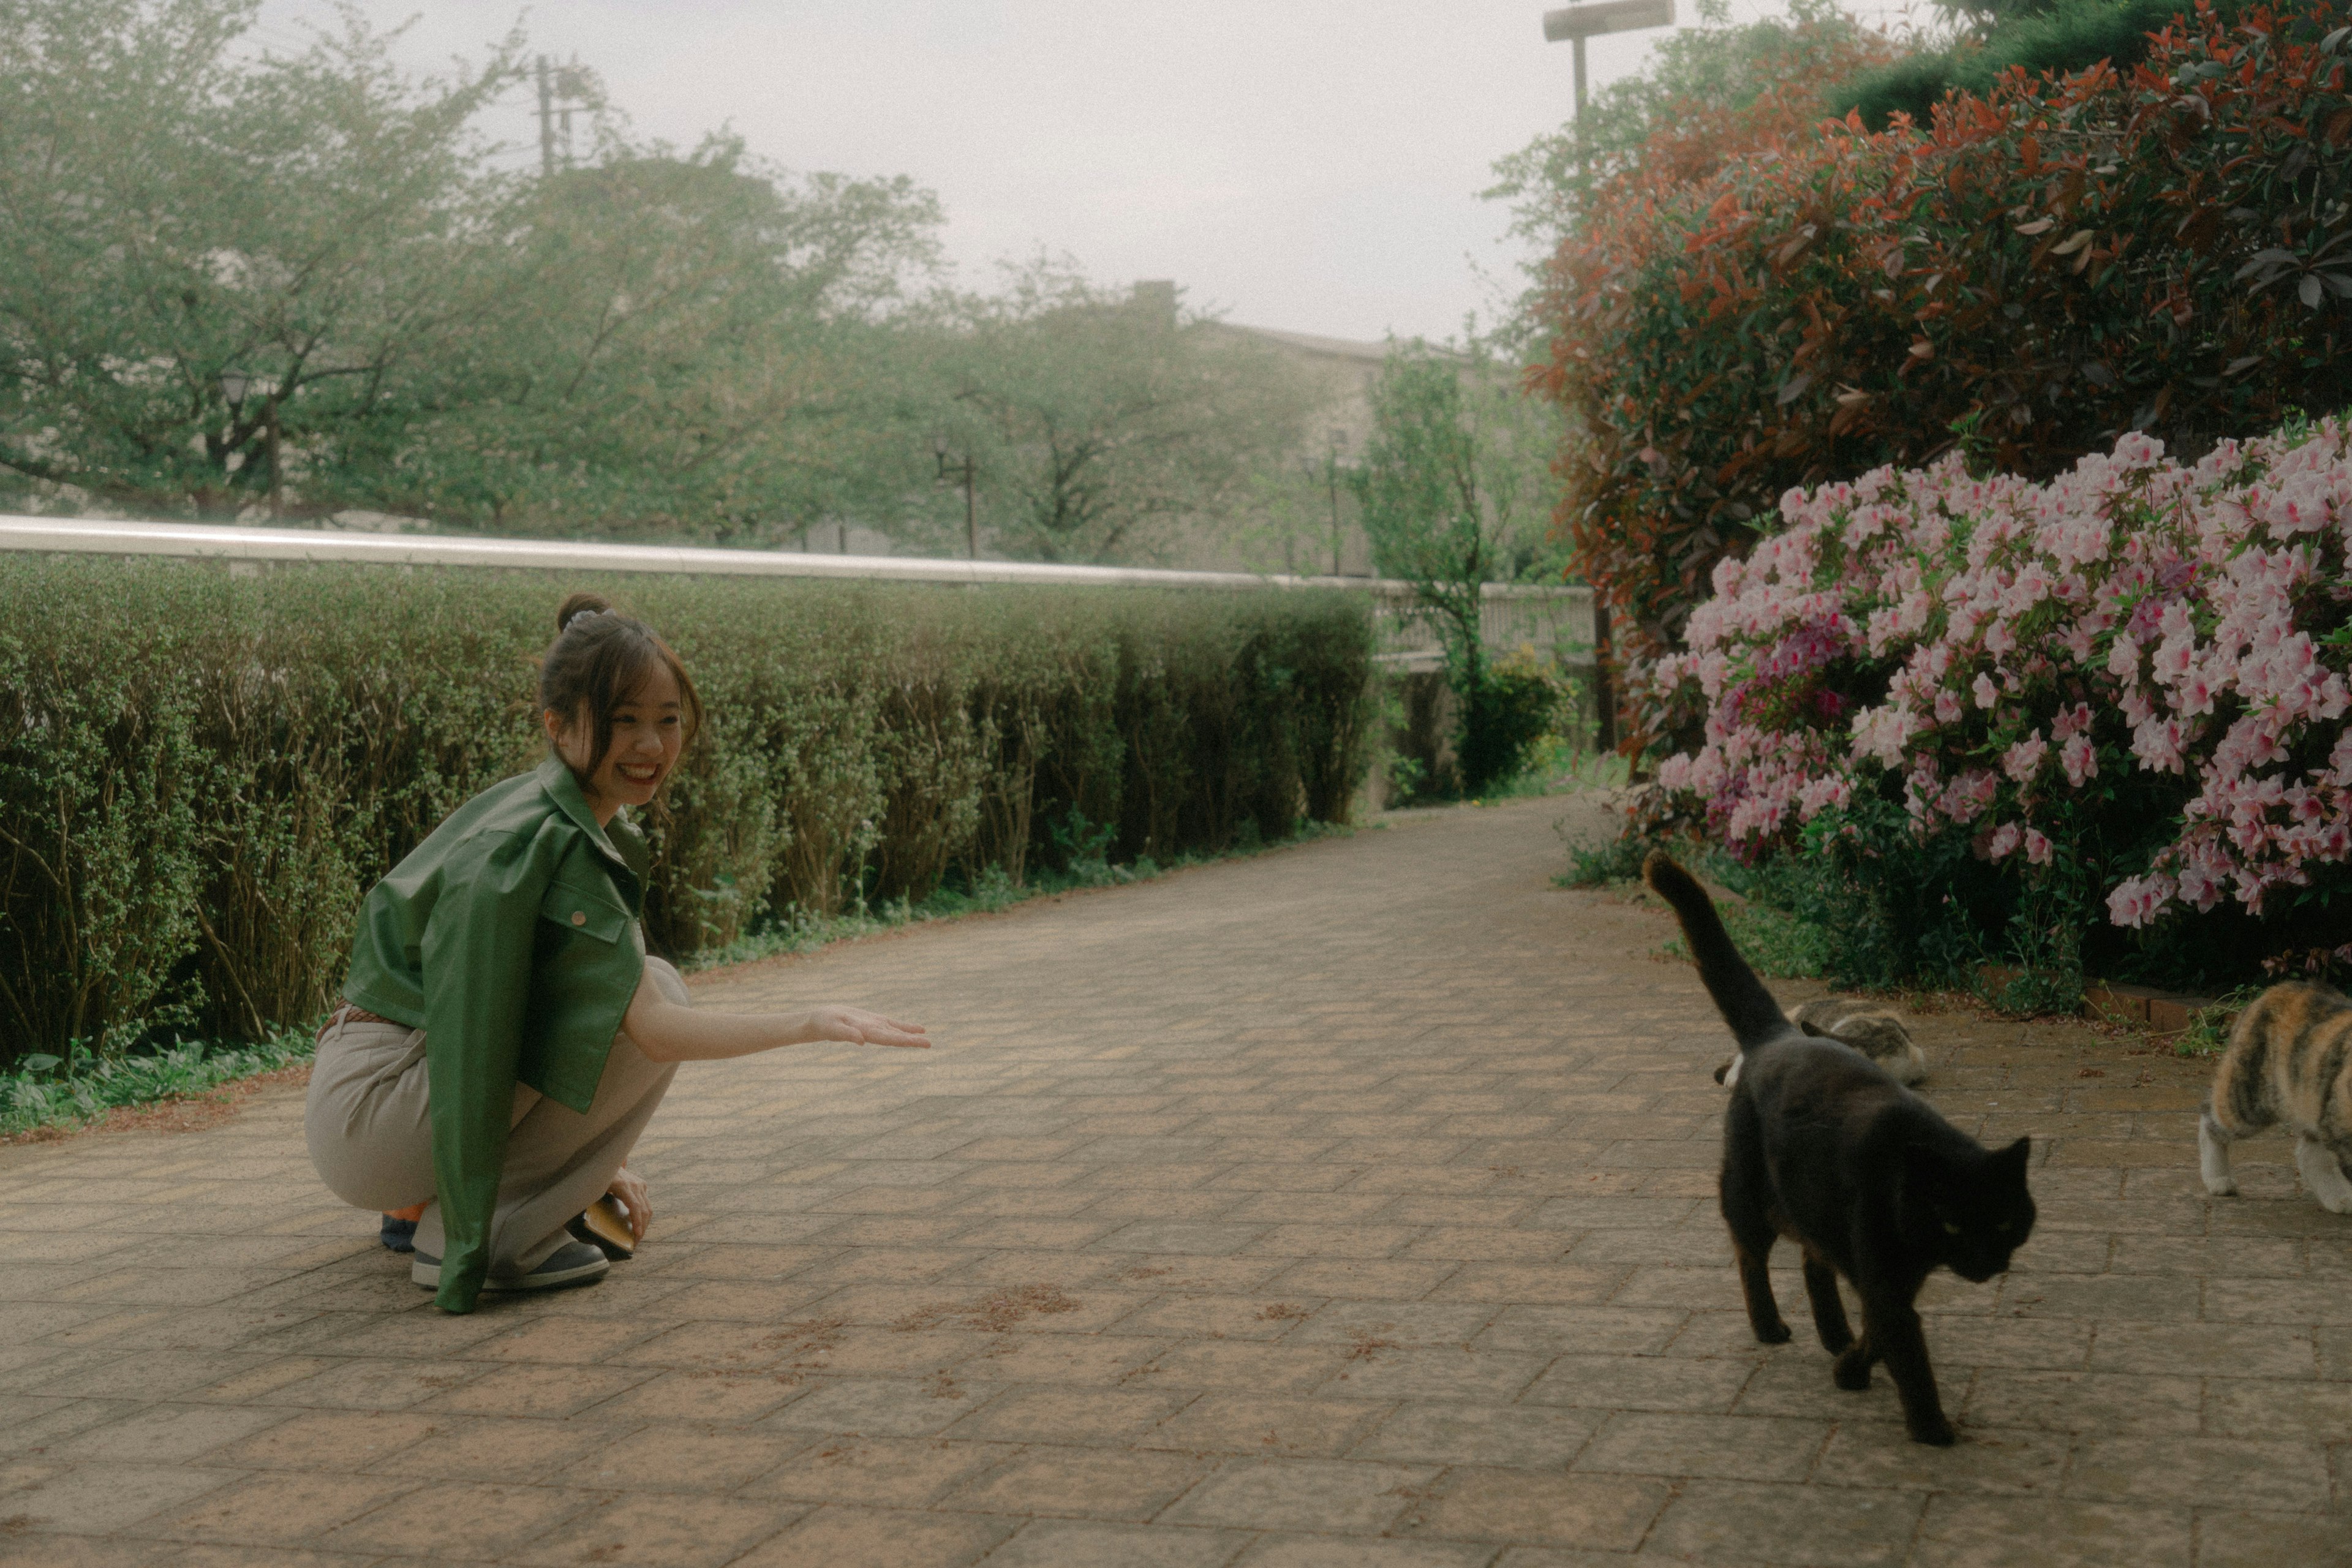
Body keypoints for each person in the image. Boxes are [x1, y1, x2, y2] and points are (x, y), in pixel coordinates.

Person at [304, 592, 928, 1313]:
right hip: (380, 1104)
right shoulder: (560, 840)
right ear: (560, 726)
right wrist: (810, 1021)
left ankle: (447, 1202)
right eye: (624, 722)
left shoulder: (539, 807)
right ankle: (492, 1228)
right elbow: (649, 1032)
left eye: (669, 721)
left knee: (640, 982)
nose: (652, 747)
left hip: (368, 1096)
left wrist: (596, 1169)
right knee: (657, 995)